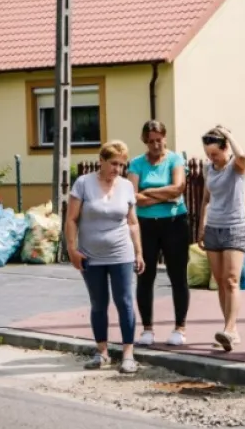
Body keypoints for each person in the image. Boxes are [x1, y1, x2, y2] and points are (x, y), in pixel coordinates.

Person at [65, 140, 146, 374]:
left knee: (125, 302)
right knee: (98, 303)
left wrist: (138, 252)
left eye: (121, 165)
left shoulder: (126, 186)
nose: (117, 169)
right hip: (91, 255)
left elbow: (132, 222)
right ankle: (102, 352)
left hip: (121, 254)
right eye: (113, 164)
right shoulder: (83, 183)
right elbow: (71, 219)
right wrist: (72, 249)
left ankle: (128, 354)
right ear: (101, 161)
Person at [127, 120, 191, 347]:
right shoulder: (136, 163)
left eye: (159, 140)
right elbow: (133, 196)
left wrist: (149, 192)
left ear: (165, 138)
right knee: (145, 275)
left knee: (177, 275)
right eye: (151, 141)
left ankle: (180, 327)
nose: (155, 145)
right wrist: (164, 196)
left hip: (174, 222)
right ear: (145, 141)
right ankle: (147, 328)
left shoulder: (175, 159)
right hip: (146, 224)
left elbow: (178, 188)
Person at [197, 126, 245, 352]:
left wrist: (229, 134)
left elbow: (242, 156)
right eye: (208, 154)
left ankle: (229, 329)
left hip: (235, 227)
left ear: (226, 148)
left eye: (215, 154)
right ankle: (231, 330)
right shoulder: (208, 168)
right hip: (213, 228)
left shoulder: (236, 166)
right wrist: (201, 227)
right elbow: (206, 199)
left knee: (231, 280)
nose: (212, 158)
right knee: (219, 281)